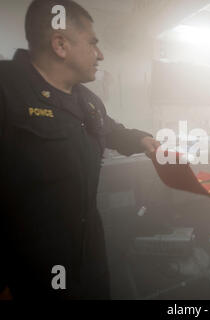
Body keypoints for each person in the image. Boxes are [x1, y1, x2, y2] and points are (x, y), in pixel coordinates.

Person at [0, 0, 160, 300]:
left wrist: (141, 140)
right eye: (92, 43)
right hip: (31, 268)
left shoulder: (87, 100)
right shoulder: (6, 91)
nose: (100, 55)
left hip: (89, 253)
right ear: (60, 45)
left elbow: (111, 129)